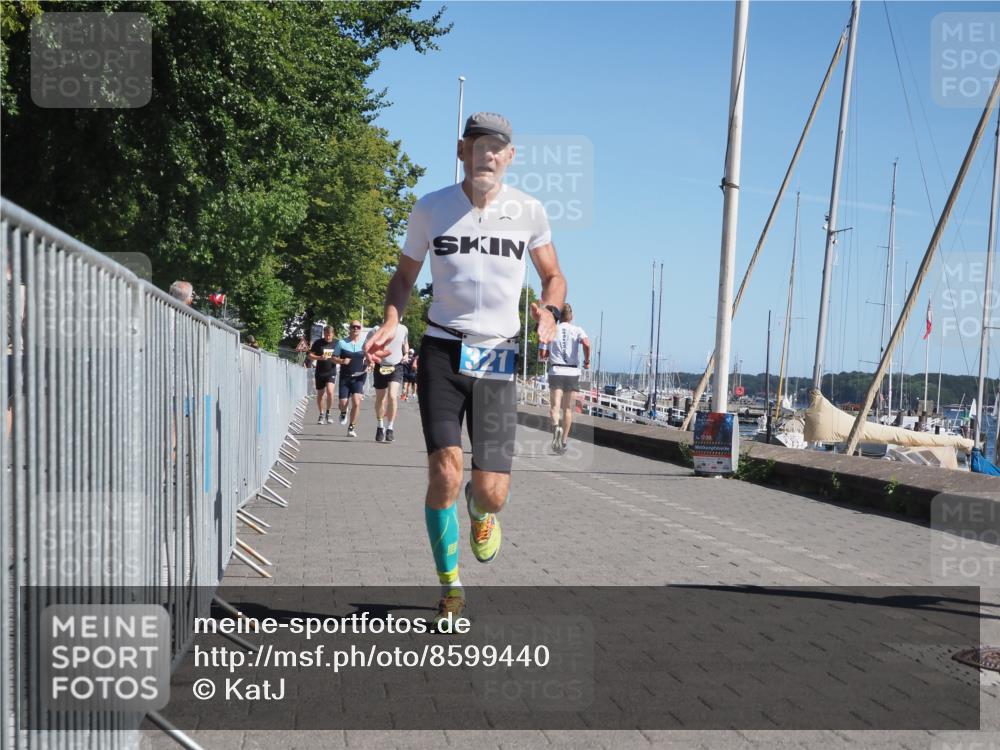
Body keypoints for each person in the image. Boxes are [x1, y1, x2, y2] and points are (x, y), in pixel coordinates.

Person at [364, 112, 566, 624]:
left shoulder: (529, 211)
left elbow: (554, 276)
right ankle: (450, 587)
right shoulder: (431, 209)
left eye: (497, 148)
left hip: (498, 357)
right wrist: (390, 320)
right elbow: (403, 277)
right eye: (478, 147)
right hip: (441, 351)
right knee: (445, 472)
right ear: (462, 151)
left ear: (510, 157)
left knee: (492, 492)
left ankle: (481, 513)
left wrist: (551, 310)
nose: (488, 156)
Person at [547, 303, 590, 454]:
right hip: (572, 373)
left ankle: (556, 428)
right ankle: (564, 441)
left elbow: (544, 354)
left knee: (554, 407)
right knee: (568, 409)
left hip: (556, 371)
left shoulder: (552, 330)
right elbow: (586, 343)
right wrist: (587, 360)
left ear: (559, 317)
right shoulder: (577, 330)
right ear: (571, 316)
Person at [366, 322, 408, 442]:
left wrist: (405, 354)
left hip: (397, 365)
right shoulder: (376, 329)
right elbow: (367, 346)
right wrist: (370, 359)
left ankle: (390, 428)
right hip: (380, 365)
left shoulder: (403, 328)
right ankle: (380, 426)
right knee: (380, 397)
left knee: (392, 396)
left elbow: (405, 344)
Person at [334, 320, 367, 437]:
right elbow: (333, 358)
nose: (356, 329)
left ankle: (351, 427)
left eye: (358, 327)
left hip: (359, 377)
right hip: (345, 377)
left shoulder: (365, 343)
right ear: (350, 328)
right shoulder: (341, 343)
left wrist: (371, 363)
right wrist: (342, 361)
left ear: (360, 328)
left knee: (357, 402)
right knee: (343, 403)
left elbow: (369, 356)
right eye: (353, 327)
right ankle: (343, 412)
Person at [308, 326, 338, 424]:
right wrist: (319, 357)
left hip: (331, 371)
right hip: (320, 372)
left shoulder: (337, 343)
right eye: (326, 334)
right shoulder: (318, 343)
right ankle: (321, 414)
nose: (328, 336)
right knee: (320, 394)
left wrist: (337, 358)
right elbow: (310, 355)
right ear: (323, 334)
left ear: (333, 334)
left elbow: (341, 355)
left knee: (330, 392)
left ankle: (328, 413)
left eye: (329, 334)